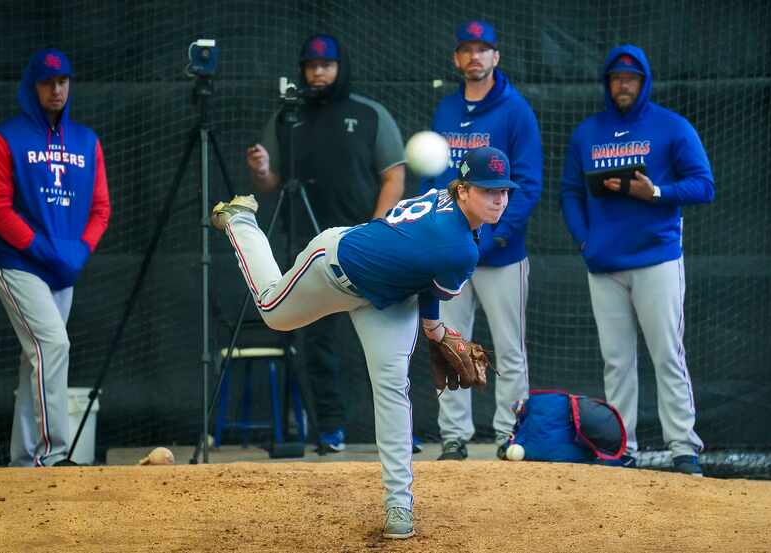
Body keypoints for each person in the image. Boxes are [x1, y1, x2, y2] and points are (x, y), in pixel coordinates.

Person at [213, 147, 517, 539]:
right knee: (272, 311)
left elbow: (427, 276)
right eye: (487, 189)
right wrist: (435, 329)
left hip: (389, 299)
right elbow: (436, 282)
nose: (498, 198)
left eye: (504, 190)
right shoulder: (461, 249)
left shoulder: (446, 205)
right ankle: (241, 221)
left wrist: (434, 328)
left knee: (393, 387)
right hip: (335, 267)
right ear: (462, 191)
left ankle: (398, 504)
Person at [245, 33, 406, 454]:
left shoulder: (369, 114)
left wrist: (376, 230)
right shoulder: (287, 119)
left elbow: (394, 175)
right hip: (308, 249)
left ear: (340, 67)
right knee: (317, 341)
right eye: (311, 66)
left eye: (327, 65)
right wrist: (262, 169)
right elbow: (270, 182)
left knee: (385, 336)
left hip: (366, 246)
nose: (318, 72)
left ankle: (397, 432)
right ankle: (330, 428)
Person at [559, 44, 714, 476]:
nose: (623, 84)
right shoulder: (588, 132)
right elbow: (570, 192)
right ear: (607, 83)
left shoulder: (671, 127)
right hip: (604, 264)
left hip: (656, 260)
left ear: (644, 83)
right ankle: (620, 447)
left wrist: (657, 193)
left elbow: (704, 185)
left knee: (667, 354)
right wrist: (584, 241)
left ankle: (684, 448)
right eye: (616, 78)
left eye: (631, 78)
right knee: (616, 359)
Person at [0, 48, 111, 467]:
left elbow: (101, 208)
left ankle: (22, 459)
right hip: (17, 263)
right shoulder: (5, 139)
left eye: (63, 81)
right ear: (31, 86)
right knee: (52, 345)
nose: (57, 89)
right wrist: (40, 248)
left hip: (63, 268)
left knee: (36, 355)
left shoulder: (87, 141)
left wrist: (79, 251)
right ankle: (53, 454)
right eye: (47, 82)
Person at [424, 20, 542, 461]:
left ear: (496, 56)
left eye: (483, 49)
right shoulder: (445, 111)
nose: (475, 56)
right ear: (457, 59)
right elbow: (435, 180)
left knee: (509, 348)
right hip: (452, 252)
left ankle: (509, 434)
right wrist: (439, 236)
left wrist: (491, 237)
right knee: (449, 343)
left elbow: (527, 184)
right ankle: (454, 437)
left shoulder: (516, 111)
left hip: (500, 254)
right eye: (466, 49)